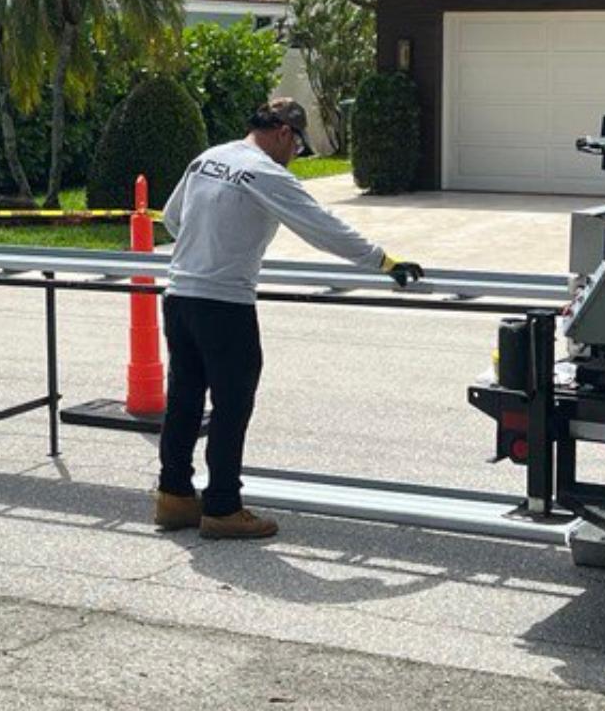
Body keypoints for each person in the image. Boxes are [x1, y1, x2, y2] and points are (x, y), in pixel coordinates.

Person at [154, 98, 423, 539]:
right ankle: (221, 507)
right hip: (224, 304)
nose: (295, 157)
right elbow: (320, 225)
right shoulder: (266, 173)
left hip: (180, 295)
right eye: (298, 147)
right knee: (231, 404)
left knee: (184, 398)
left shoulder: (209, 158)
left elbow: (171, 218)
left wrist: (210, 246)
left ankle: (174, 497)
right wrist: (383, 261)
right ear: (283, 133)